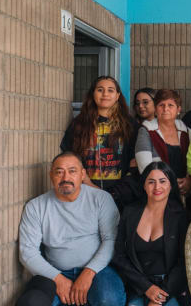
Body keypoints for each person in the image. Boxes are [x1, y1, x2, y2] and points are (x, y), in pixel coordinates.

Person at [12, 152, 125, 306]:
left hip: (97, 270)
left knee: (110, 299)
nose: (66, 178)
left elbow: (111, 240)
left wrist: (88, 273)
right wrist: (58, 279)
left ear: (82, 174)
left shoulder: (101, 199)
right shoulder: (36, 207)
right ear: (51, 176)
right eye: (59, 172)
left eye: (72, 171)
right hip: (57, 272)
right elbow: (27, 253)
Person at [112, 162, 189, 306]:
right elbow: (119, 256)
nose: (157, 187)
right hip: (140, 286)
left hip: (171, 289)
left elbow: (184, 262)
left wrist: (160, 296)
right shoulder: (130, 212)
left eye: (163, 181)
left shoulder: (181, 216)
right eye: (151, 182)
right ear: (144, 185)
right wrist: (147, 288)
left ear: (171, 185)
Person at [60, 76, 139, 209]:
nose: (105, 94)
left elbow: (135, 161)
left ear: (117, 95)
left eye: (110, 90)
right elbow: (70, 156)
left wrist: (117, 191)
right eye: (100, 90)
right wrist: (87, 182)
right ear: (93, 94)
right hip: (85, 190)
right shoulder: (79, 124)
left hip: (121, 194)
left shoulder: (129, 125)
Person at [135, 89, 191, 198]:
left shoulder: (187, 132)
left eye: (170, 105)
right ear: (156, 110)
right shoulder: (146, 131)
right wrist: (168, 184)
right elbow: (145, 168)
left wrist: (189, 181)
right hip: (157, 193)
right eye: (161, 105)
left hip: (184, 194)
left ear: (178, 109)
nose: (166, 109)